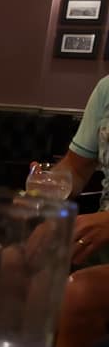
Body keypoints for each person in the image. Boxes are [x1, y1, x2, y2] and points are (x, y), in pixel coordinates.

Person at [53, 75, 109, 268]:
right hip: (100, 241)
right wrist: (46, 190)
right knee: (15, 260)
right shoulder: (106, 88)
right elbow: (76, 168)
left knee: (77, 286)